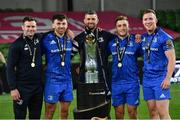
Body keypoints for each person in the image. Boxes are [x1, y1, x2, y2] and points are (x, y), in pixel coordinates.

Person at [74, 10, 115, 118]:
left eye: (93, 19)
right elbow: (68, 54)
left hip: (102, 80)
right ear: (84, 21)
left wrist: (137, 37)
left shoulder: (106, 35)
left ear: (97, 20)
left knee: (104, 112)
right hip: (85, 81)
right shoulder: (78, 38)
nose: (90, 21)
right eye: (88, 19)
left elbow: (122, 38)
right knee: (85, 111)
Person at [141, 9, 176, 119]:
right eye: (145, 19)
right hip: (147, 80)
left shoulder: (165, 38)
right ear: (142, 22)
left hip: (160, 79)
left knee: (163, 113)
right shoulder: (143, 37)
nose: (148, 21)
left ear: (156, 20)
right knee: (152, 112)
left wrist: (167, 78)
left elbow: (172, 59)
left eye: (150, 18)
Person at [6, 16, 43, 119]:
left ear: (36, 27)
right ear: (22, 27)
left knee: (35, 116)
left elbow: (55, 31)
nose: (31, 29)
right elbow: (9, 68)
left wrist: (67, 31)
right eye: (28, 26)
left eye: (33, 26)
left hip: (38, 88)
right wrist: (13, 88)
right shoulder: (16, 45)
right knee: (20, 116)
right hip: (22, 88)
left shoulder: (40, 38)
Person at [42, 14, 76, 119]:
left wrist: (74, 38)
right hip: (52, 80)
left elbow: (73, 54)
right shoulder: (46, 39)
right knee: (50, 111)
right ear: (53, 25)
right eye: (58, 23)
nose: (61, 26)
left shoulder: (70, 39)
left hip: (67, 80)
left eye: (63, 24)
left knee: (65, 111)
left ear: (67, 25)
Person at [108, 16, 141, 119]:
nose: (122, 28)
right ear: (116, 28)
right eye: (119, 26)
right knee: (119, 113)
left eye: (124, 25)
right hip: (116, 83)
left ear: (128, 26)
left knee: (132, 112)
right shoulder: (111, 43)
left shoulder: (136, 41)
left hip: (132, 82)